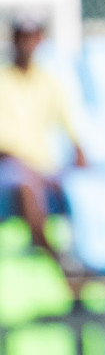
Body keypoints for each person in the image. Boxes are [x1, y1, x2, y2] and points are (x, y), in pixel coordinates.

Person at [0, 14, 85, 272]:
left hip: (42, 166)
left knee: (80, 183)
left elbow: (72, 128)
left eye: (32, 37)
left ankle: (88, 257)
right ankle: (53, 257)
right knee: (25, 182)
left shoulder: (49, 82)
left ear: (39, 40)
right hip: (9, 166)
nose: (27, 44)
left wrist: (80, 154)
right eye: (22, 38)